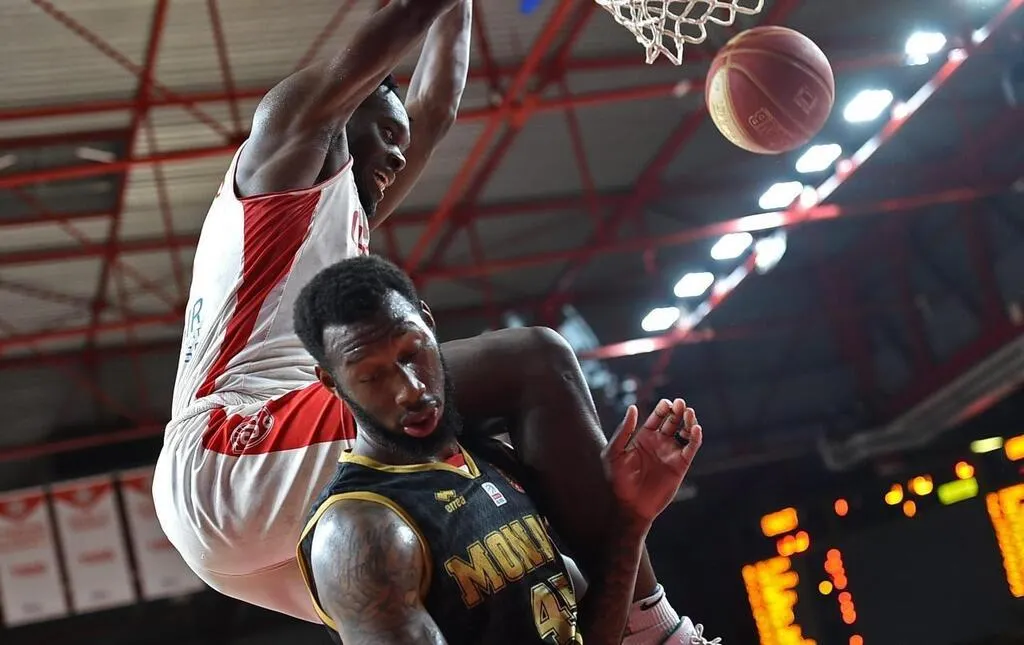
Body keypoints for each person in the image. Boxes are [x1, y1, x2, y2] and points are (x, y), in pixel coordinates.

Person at [153, 0, 710, 642]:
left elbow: (438, 106)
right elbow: (389, 32)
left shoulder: (344, 216)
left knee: (532, 562)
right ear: (349, 110)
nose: (398, 155)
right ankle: (656, 629)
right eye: (388, 134)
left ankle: (622, 621)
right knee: (534, 361)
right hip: (231, 453)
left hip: (243, 518)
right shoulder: (279, 161)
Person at [293, 255, 706, 645]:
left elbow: (593, 634)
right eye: (371, 376)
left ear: (429, 323)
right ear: (331, 383)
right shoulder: (358, 535)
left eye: (412, 353)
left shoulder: (488, 460)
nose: (411, 390)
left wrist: (631, 519)